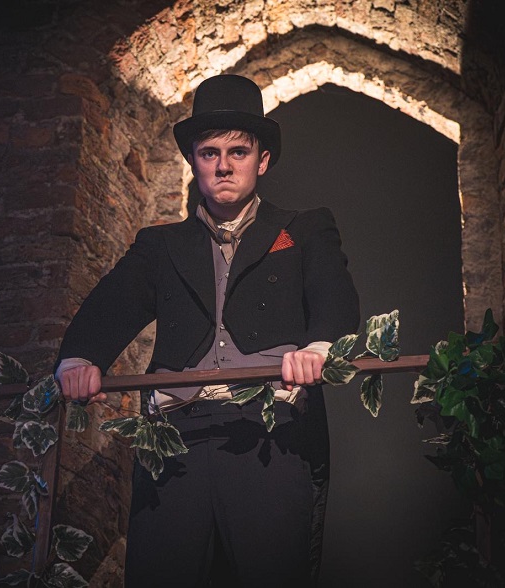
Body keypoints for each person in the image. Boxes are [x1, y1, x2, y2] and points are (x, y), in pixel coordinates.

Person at [55, 73, 360, 587]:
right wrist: (80, 358)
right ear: (193, 162)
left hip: (269, 434)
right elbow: (111, 305)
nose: (223, 165)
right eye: (209, 153)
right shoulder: (159, 245)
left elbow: (335, 296)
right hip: (174, 438)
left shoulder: (303, 228)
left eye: (238, 152)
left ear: (262, 160)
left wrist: (319, 348)